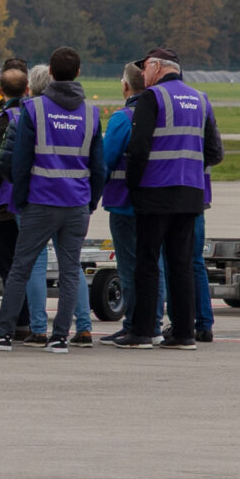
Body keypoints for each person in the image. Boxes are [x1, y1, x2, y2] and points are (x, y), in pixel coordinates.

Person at [0, 48, 105, 353]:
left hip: (40, 201)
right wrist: (90, 202)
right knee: (69, 271)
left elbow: (20, 162)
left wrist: (22, 199)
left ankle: (4, 334)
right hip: (76, 204)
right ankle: (60, 338)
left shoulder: (35, 110)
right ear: (79, 73)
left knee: (21, 267)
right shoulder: (91, 114)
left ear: (49, 73)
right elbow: (99, 167)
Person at [118, 47, 223, 350]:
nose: (143, 75)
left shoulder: (153, 98)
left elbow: (138, 149)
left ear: (156, 66)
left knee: (147, 262)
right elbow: (215, 152)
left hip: (155, 191)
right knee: (181, 264)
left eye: (145, 69)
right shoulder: (201, 99)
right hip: (191, 193)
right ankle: (183, 333)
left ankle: (142, 331)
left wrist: (133, 186)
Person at [0, 59, 36, 340]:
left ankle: (16, 321)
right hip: (30, 199)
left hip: (4, 202)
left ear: (0, 90)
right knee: (24, 262)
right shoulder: (34, 115)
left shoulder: (2, 121)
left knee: (8, 265)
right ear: (27, 89)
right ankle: (23, 320)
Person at [100, 61, 144, 342]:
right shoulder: (157, 114)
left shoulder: (123, 118)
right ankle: (150, 321)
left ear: (126, 86)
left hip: (124, 202)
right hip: (154, 202)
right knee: (153, 265)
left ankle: (133, 323)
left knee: (128, 267)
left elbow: (104, 160)